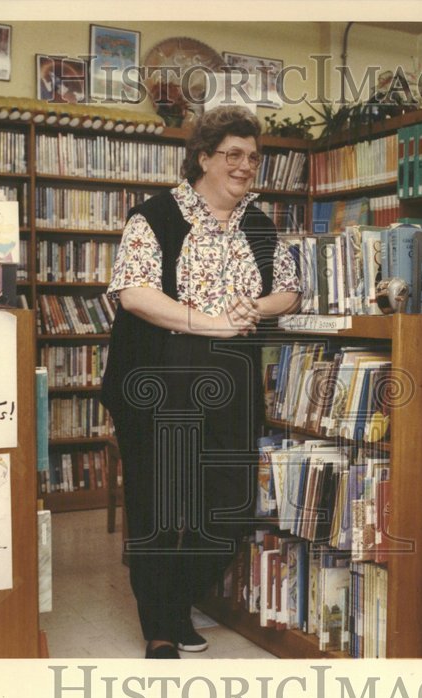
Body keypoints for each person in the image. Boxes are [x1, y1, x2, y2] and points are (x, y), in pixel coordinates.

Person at [101, 106, 301, 658]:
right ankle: (160, 626)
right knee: (161, 508)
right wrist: (211, 321)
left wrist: (254, 307)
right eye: (233, 154)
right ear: (204, 158)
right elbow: (134, 293)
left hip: (230, 385)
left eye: (254, 157)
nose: (245, 166)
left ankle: (179, 599)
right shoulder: (154, 216)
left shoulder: (259, 223)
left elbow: (290, 289)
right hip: (156, 381)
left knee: (230, 507)